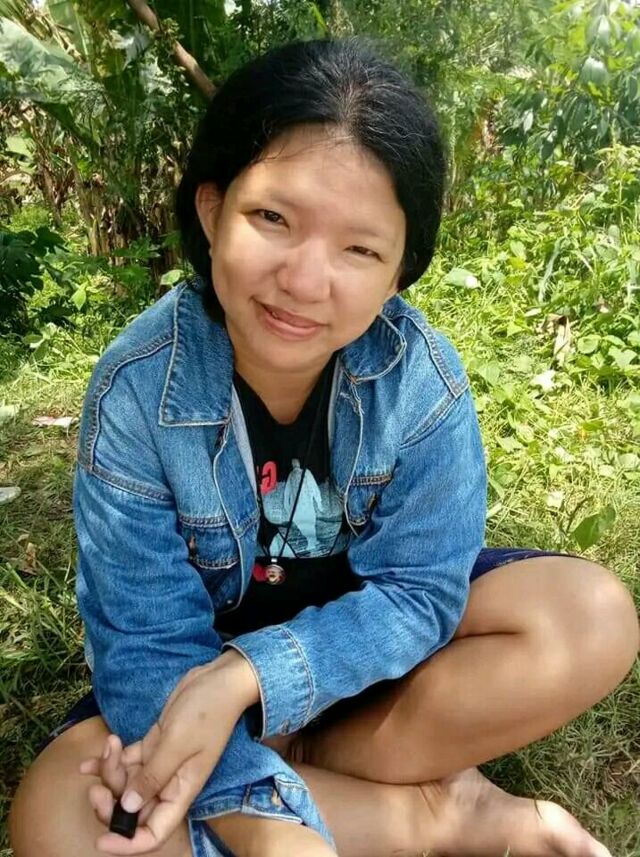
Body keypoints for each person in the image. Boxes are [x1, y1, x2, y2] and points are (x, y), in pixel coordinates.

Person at [9, 37, 639, 857]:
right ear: (212, 209)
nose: (306, 282)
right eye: (273, 218)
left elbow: (420, 593)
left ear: (399, 271)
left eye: (359, 249)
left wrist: (249, 678)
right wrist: (270, 828)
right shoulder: (138, 391)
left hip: (365, 678)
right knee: (60, 819)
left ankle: (311, 764)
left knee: (589, 617)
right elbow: (145, 650)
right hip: (187, 692)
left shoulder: (418, 379)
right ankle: (443, 814)